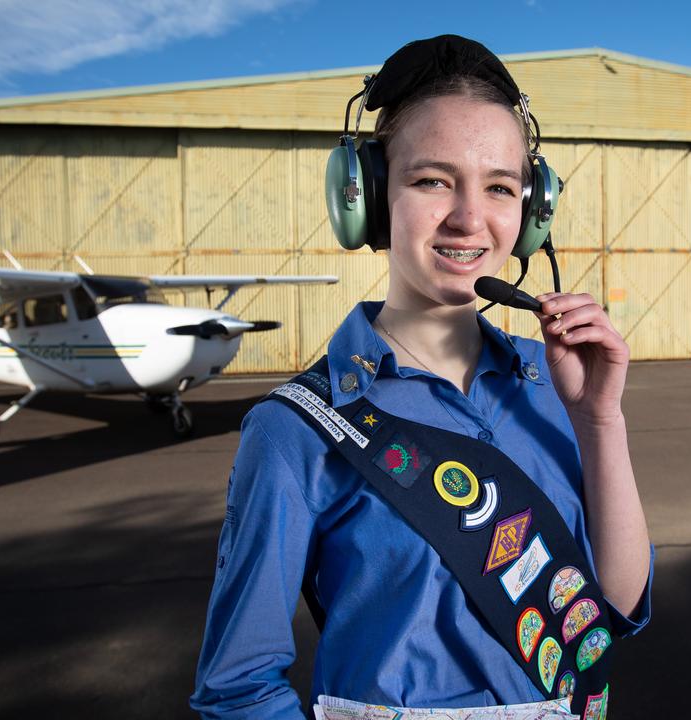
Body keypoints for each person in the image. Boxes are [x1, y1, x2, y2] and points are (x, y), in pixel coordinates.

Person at [191, 35, 651, 720]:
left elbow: (613, 611)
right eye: (432, 180)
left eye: (499, 186)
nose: (469, 218)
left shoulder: (552, 383)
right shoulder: (295, 428)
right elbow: (237, 687)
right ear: (369, 198)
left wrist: (599, 421)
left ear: (531, 211)